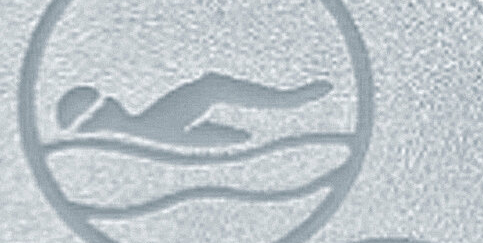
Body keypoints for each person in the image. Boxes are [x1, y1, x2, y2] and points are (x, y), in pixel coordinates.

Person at [55, 72, 332, 146]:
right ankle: (288, 100)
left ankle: (289, 99)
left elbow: (234, 137)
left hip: (154, 128)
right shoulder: (142, 128)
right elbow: (235, 138)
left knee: (212, 86)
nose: (110, 100)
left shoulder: (136, 126)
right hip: (157, 128)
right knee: (212, 87)